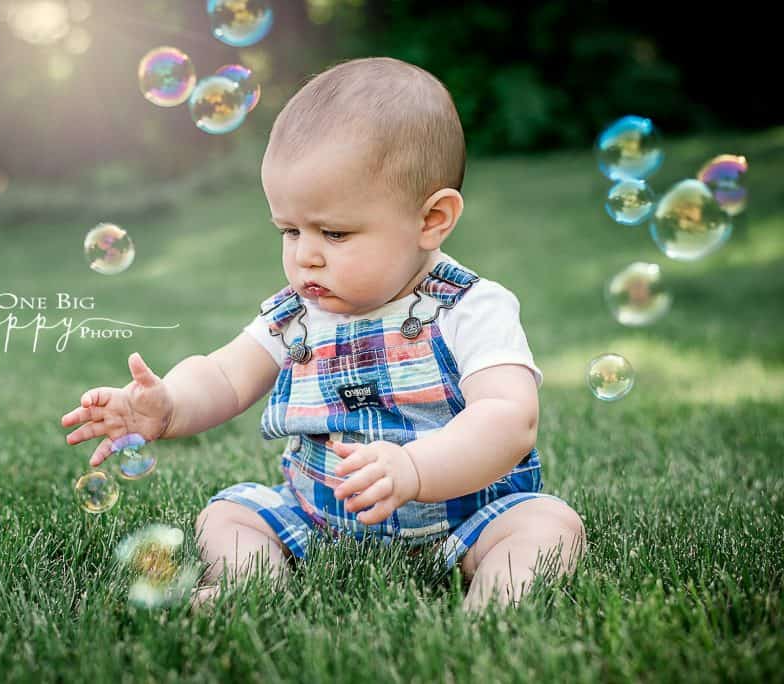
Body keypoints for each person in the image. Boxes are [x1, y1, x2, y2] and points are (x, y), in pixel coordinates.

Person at [61, 57, 585, 612]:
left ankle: (498, 600)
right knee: (229, 514)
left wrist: (414, 468)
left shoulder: (470, 308)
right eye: (289, 230)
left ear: (431, 220)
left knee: (549, 523)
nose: (305, 255)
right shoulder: (295, 316)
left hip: (466, 519)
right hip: (322, 522)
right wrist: (167, 406)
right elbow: (223, 375)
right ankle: (250, 585)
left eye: (334, 233)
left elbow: (510, 418)